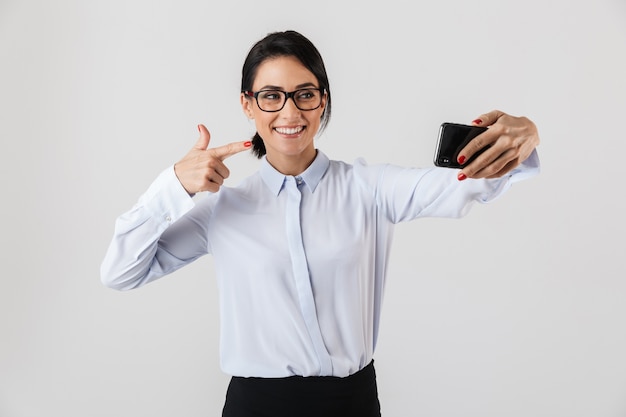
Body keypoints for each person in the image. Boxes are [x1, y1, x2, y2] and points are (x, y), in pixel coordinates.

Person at [100, 30, 540, 417]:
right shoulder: (221, 208)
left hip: (353, 405)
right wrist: (172, 186)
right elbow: (120, 272)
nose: (289, 112)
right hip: (255, 408)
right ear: (247, 105)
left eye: (304, 93)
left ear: (322, 100)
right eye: (271, 95)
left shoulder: (369, 188)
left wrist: (522, 140)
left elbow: (466, 185)